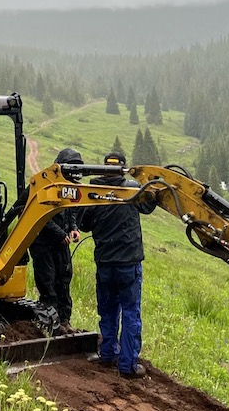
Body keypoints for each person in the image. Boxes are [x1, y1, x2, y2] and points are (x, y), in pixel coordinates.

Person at [79, 151, 158, 378]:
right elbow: (148, 206)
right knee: (131, 312)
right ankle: (127, 366)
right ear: (122, 168)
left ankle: (107, 355)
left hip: (105, 263)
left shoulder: (93, 192)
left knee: (108, 310)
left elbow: (84, 225)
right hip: (129, 264)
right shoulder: (132, 189)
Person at [30, 147, 83, 334]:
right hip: (43, 244)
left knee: (64, 282)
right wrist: (61, 234)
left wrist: (73, 229)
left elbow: (72, 212)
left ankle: (65, 320)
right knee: (48, 283)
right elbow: (42, 217)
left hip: (62, 244)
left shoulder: (71, 187)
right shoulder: (46, 185)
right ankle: (51, 325)